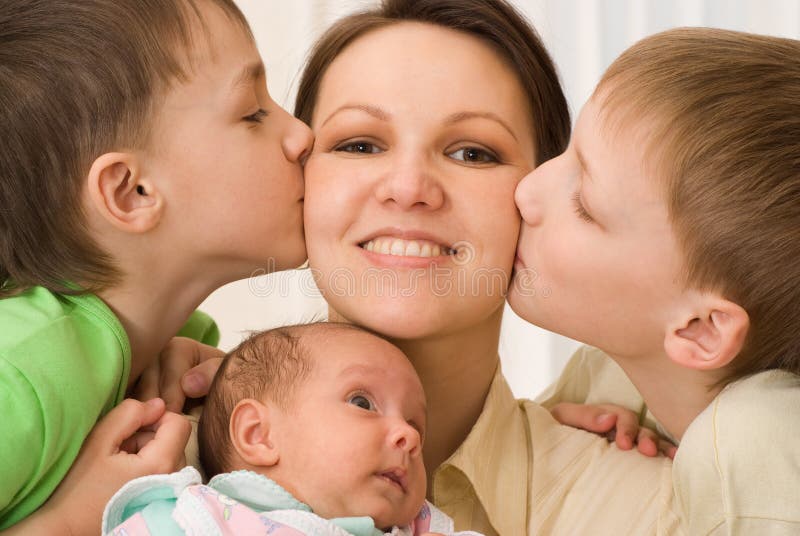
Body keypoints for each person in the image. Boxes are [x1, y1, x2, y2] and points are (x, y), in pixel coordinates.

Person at [172, 1, 681, 534]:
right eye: (360, 144)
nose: (410, 188)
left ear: (542, 195)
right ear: (302, 179)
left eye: (472, 154)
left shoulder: (639, 506)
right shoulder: (140, 450)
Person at [0, 0, 312, 533]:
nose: (302, 135)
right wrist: (68, 523)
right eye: (252, 113)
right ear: (132, 191)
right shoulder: (20, 371)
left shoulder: (181, 350)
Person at [508, 27, 800, 534]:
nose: (527, 191)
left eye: (584, 206)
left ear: (700, 329)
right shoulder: (613, 370)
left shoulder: (756, 441)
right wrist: (545, 440)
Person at [104, 323, 480, 536]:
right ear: (258, 435)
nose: (409, 437)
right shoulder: (192, 522)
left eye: (415, 425)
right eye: (362, 403)